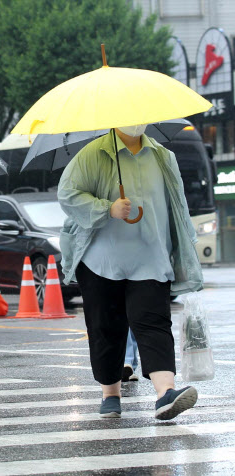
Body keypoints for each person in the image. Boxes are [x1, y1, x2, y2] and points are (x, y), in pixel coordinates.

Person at [57, 125, 203, 420]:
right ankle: (110, 393)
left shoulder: (163, 156)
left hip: (150, 257)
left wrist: (183, 247)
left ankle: (165, 393)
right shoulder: (92, 155)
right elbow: (68, 194)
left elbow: (176, 203)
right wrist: (106, 208)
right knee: (105, 328)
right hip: (101, 261)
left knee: (154, 323)